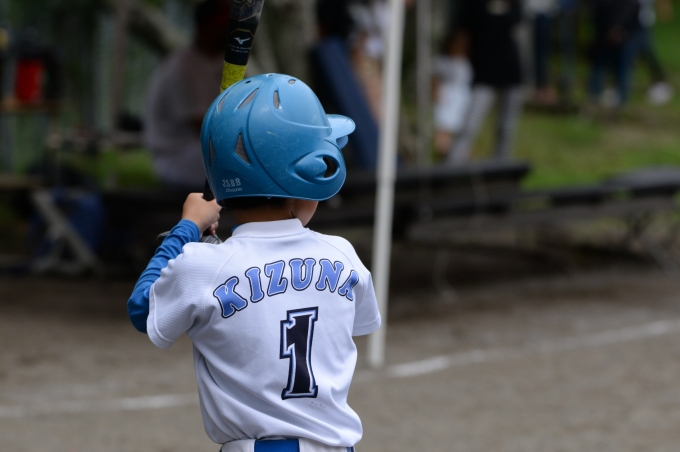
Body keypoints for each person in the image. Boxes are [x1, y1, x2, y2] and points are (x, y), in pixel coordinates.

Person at [128, 73, 381, 452]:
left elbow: (142, 308)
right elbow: (355, 322)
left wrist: (187, 228)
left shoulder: (203, 265)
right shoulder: (343, 255)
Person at [143, 0, 230, 191]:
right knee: (240, 165)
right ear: (204, 28)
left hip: (197, 151)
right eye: (222, 27)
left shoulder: (217, 63)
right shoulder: (182, 67)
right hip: (177, 156)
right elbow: (203, 126)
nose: (229, 33)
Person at [446, 0, 524, 166]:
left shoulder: (514, 4)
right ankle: (451, 168)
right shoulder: (473, 5)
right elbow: (461, 35)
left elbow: (517, 24)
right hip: (483, 73)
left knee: (505, 128)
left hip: (511, 71)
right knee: (469, 126)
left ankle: (501, 167)